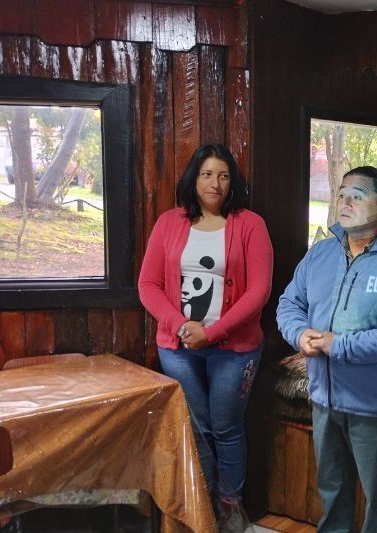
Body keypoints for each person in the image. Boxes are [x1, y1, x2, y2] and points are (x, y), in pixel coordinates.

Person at [277, 166, 377, 533]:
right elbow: (289, 303)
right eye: (342, 193)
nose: (344, 201)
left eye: (357, 195)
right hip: (324, 400)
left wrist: (338, 345)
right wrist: (300, 336)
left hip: (374, 408)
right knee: (331, 489)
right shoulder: (320, 255)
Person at [138, 144, 273, 527]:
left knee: (227, 428)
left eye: (224, 175)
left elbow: (258, 292)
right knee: (197, 429)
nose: (215, 183)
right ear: (194, 178)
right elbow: (148, 284)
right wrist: (182, 327)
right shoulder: (169, 223)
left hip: (234, 350)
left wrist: (212, 332)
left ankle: (231, 511)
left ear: (233, 183)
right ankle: (202, 512)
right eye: (207, 174)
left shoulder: (250, 224)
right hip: (179, 349)